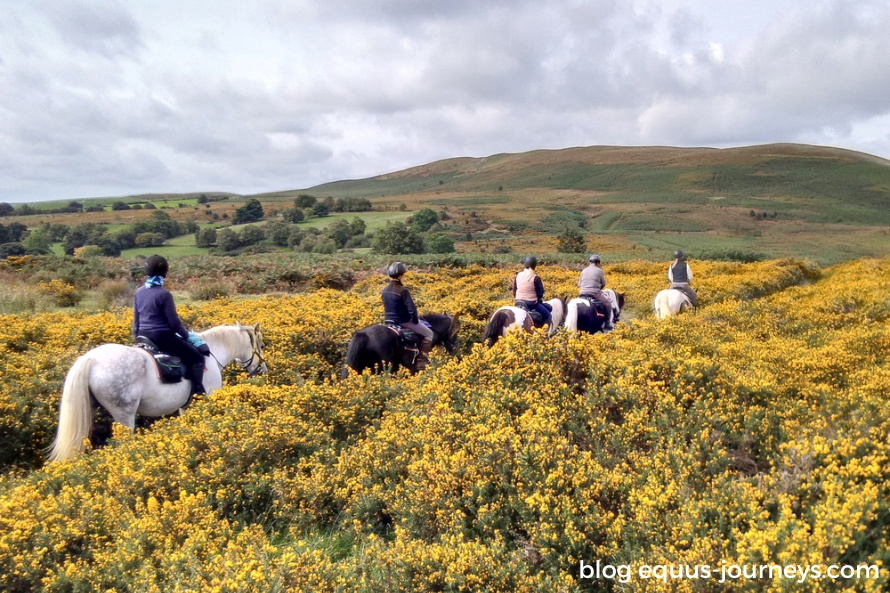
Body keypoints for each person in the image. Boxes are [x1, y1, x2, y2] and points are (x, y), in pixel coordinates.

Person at [133, 255, 209, 399]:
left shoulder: (139, 292)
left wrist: (138, 338)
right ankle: (198, 391)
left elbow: (136, 322)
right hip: (162, 337)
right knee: (197, 357)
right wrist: (189, 338)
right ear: (165, 273)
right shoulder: (164, 294)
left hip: (144, 336)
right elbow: (174, 324)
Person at [382, 262, 434, 370]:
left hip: (388, 321)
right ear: (400, 276)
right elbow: (412, 309)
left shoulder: (385, 290)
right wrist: (415, 320)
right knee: (429, 334)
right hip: (403, 321)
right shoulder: (403, 290)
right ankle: (421, 360)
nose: (404, 277)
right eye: (404, 275)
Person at [512, 255, 552, 327]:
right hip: (531, 303)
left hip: (519, 302)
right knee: (548, 315)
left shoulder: (518, 275)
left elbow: (514, 289)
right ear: (534, 266)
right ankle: (544, 334)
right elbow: (540, 294)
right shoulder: (535, 277)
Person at [578, 253, 613, 329]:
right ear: (598, 263)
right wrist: (598, 288)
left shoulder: (584, 270)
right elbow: (603, 284)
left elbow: (579, 284)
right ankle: (607, 324)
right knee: (608, 304)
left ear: (590, 262)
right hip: (594, 293)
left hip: (582, 293)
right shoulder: (600, 271)